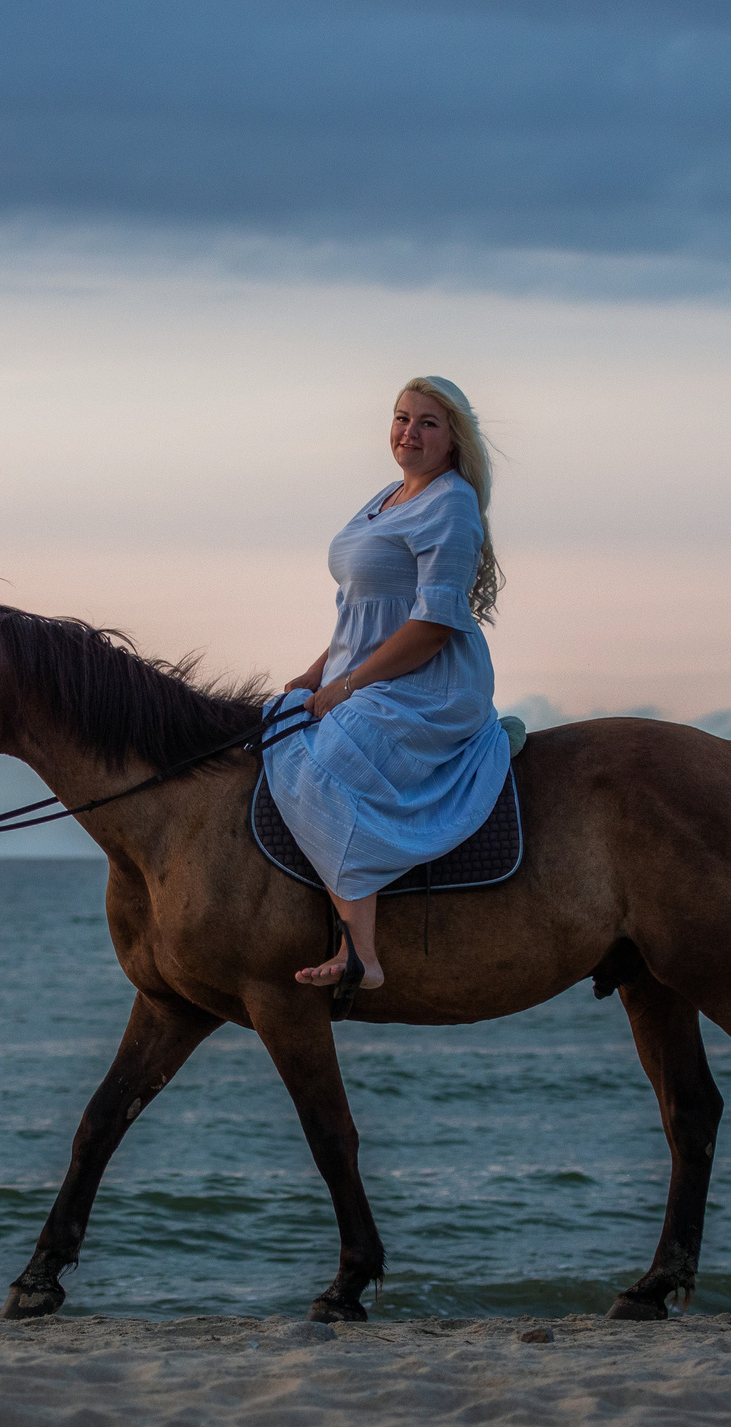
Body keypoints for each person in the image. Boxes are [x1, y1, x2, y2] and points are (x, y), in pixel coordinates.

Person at [265, 375, 511, 992]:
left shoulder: (449, 503)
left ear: (454, 438)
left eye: (428, 422)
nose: (410, 432)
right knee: (278, 722)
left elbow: (431, 624)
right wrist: (314, 674)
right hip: (363, 670)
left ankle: (362, 953)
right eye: (403, 418)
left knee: (333, 759)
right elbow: (365, 609)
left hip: (428, 682)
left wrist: (345, 687)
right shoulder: (387, 496)